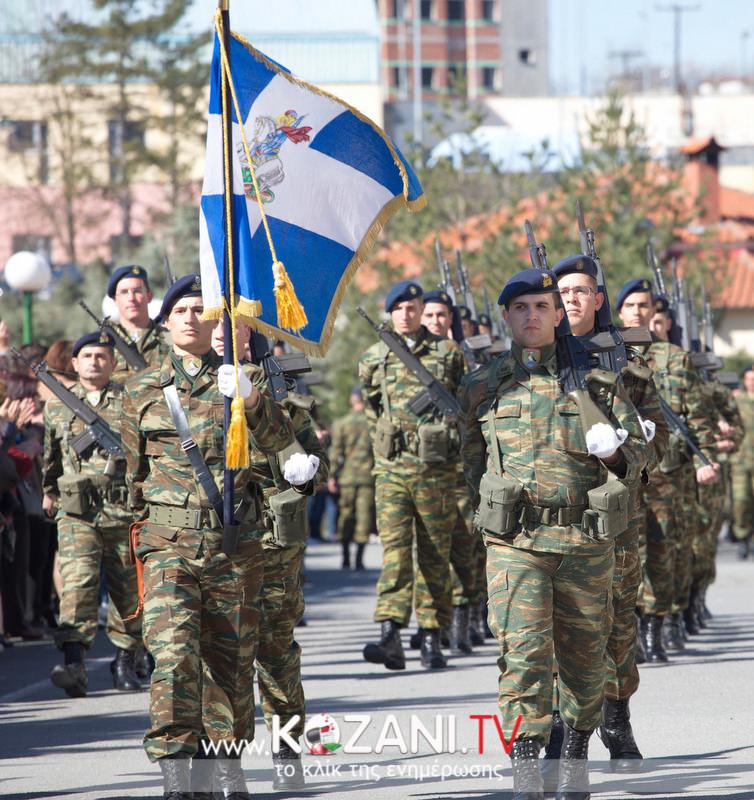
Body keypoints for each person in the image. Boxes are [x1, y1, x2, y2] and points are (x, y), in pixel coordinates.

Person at [459, 268, 649, 799]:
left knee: (586, 659)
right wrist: (490, 517)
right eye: (521, 307)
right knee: (522, 656)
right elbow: (467, 462)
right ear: (506, 316)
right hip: (516, 545)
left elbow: (640, 461)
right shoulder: (484, 382)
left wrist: (613, 450)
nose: (532, 316)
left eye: (542, 306)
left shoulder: (599, 381)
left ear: (559, 314)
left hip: (585, 545)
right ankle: (525, 770)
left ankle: (574, 760)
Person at [121, 275, 296, 799]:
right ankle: (177, 773)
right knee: (174, 658)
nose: (193, 318)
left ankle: (226, 766)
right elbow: (131, 474)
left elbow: (285, 448)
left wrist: (248, 396)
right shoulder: (141, 389)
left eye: (204, 310)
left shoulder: (243, 386)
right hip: (167, 546)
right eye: (182, 311)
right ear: (165, 321)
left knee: (231, 665)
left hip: (233, 548)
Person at [553, 255, 668, 774]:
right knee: (560, 626)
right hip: (557, 517)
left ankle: (616, 719)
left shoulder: (626, 364)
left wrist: (635, 445)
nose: (570, 298)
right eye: (563, 291)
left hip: (616, 517)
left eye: (581, 291)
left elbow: (660, 437)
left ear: (599, 300)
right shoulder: (536, 363)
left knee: (618, 627)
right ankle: (559, 723)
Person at [212, 318, 327, 792]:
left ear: (250, 333)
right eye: (210, 323)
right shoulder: (186, 393)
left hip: (274, 547)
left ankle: (286, 751)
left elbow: (312, 472)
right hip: (216, 545)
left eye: (229, 324)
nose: (219, 332)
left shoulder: (282, 395)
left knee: (275, 655)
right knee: (220, 658)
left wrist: (300, 467)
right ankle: (227, 759)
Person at [360, 280, 465, 670]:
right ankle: (390, 633)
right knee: (396, 553)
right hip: (391, 472)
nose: (407, 314)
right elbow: (372, 411)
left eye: (413, 307)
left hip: (436, 471)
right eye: (399, 308)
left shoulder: (447, 353)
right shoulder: (374, 357)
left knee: (435, 554)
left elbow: (463, 401)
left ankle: (433, 635)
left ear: (422, 310)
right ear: (390, 312)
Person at [618, 283, 718, 652]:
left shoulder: (676, 358)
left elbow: (699, 415)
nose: (638, 312)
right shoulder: (609, 354)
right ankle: (633, 624)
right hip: (626, 473)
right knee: (629, 554)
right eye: (630, 305)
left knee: (665, 550)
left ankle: (658, 624)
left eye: (644, 305)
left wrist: (705, 457)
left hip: (669, 472)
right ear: (619, 311)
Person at [43, 331, 143, 697]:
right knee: (78, 583)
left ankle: (125, 661)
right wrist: (49, 492)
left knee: (127, 589)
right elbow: (51, 457)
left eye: (102, 356)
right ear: (74, 363)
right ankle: (73, 663)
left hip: (122, 509)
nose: (94, 362)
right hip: (77, 512)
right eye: (86, 356)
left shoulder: (130, 401)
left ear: (114, 363)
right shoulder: (58, 406)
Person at [421, 289, 482, 652]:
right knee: (430, 549)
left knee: (466, 545)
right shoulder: (411, 359)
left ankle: (465, 613)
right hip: (426, 469)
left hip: (461, 468)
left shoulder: (463, 360)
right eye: (429, 317)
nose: (436, 323)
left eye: (442, 316)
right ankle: (434, 621)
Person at [328, 387, 375, 570]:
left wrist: (331, 476)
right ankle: (359, 560)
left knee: (346, 514)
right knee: (364, 517)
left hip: (346, 478)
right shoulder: (372, 423)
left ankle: (345, 557)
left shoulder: (341, 424)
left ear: (352, 400)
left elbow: (336, 453)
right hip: (367, 478)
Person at [107, 264, 170, 381]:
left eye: (137, 291)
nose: (131, 298)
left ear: (149, 296)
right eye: (124, 292)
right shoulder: (105, 345)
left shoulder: (170, 338)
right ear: (115, 300)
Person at [732, 365, 754, 559]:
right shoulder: (736, 400)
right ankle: (742, 536)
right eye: (750, 378)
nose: (752, 382)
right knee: (740, 501)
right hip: (740, 460)